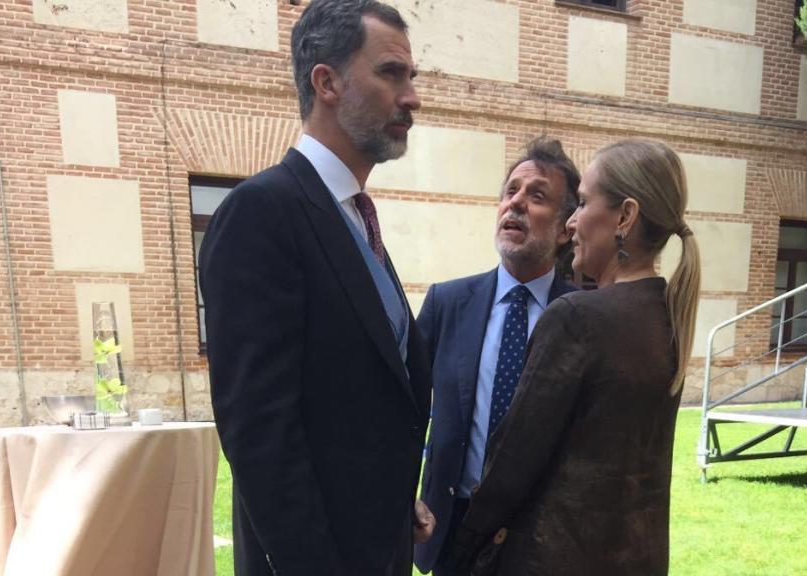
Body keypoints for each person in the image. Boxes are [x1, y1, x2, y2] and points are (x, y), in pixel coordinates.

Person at [198, 2, 434, 574]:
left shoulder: (353, 216)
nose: (412, 98)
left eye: (412, 77)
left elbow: (354, 398)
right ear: (326, 82)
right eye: (390, 73)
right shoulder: (262, 212)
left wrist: (394, 501)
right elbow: (260, 431)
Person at [443, 139, 702, 576]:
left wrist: (463, 549)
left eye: (582, 203)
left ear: (625, 217)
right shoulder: (669, 315)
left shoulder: (577, 318)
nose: (574, 221)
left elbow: (514, 459)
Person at [414, 137, 581, 575]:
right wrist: (400, 491)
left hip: (541, 536)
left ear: (566, 228)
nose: (517, 203)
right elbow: (400, 403)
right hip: (452, 529)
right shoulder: (447, 303)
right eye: (511, 191)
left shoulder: (585, 317)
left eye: (538, 195)